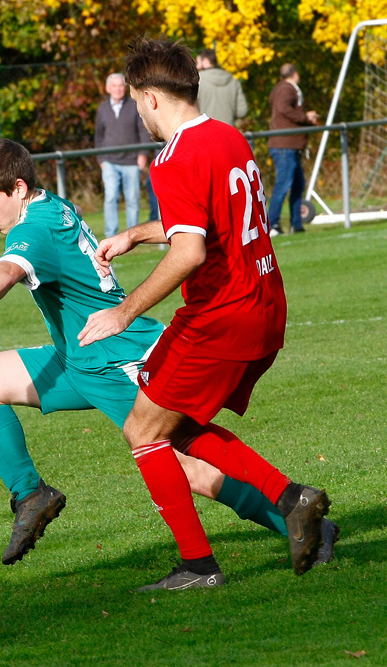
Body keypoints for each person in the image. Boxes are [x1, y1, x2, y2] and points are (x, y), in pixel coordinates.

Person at [0, 138, 337, 568]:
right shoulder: (50, 205)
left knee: (186, 467)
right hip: (75, 358)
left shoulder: (33, 228)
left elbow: (5, 272)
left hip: (112, 360)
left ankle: (298, 521)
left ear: (20, 188)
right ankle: (31, 495)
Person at [78, 38, 331, 590]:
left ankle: (198, 564)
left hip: (221, 315)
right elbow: (205, 220)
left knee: (144, 430)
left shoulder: (173, 157)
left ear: (148, 98)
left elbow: (190, 251)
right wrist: (135, 234)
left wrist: (124, 311)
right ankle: (295, 503)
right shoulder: (227, 136)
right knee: (181, 427)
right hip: (264, 303)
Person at [95, 73, 151, 238]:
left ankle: (132, 235)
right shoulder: (102, 109)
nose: (118, 89)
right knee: (111, 197)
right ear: (108, 88)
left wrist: (143, 154)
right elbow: (98, 135)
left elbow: (143, 130)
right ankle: (111, 235)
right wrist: (101, 159)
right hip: (109, 161)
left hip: (132, 161)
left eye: (121, 85)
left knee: (132, 199)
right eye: (114, 86)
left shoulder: (134, 106)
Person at [267, 63, 321, 236]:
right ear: (295, 74)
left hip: (289, 146)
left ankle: (296, 224)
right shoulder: (287, 89)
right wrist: (305, 117)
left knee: (298, 185)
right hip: (285, 146)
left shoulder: (279, 88)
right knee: (283, 185)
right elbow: (284, 108)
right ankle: (272, 224)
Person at [195, 48, 248, 127]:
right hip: (228, 132)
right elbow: (242, 111)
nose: (196, 66)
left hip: (205, 132)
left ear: (205, 61)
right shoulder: (233, 81)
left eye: (197, 63)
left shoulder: (197, 80)